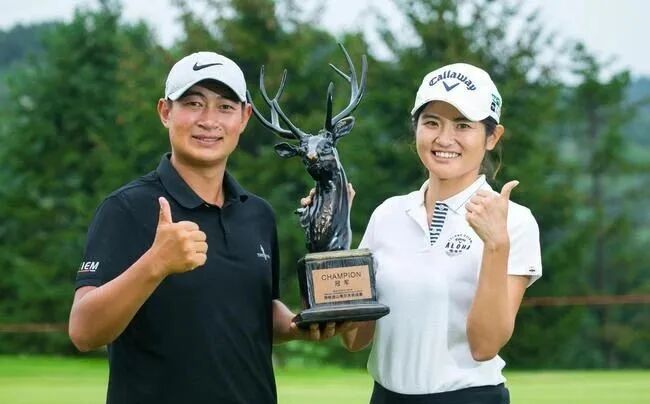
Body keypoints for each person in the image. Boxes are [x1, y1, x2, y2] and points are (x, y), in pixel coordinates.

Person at [68, 51, 346, 404]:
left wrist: (296, 326)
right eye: (194, 103)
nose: (209, 120)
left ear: (244, 118)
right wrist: (155, 264)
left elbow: (252, 312)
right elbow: (84, 332)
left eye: (225, 107)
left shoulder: (257, 214)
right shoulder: (126, 208)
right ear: (165, 112)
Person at [339, 63, 542, 403]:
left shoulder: (514, 222)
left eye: (463, 125)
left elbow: (485, 346)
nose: (444, 139)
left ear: (492, 137)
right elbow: (355, 339)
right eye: (431, 122)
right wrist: (332, 240)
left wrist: (496, 245)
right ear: (416, 128)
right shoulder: (388, 214)